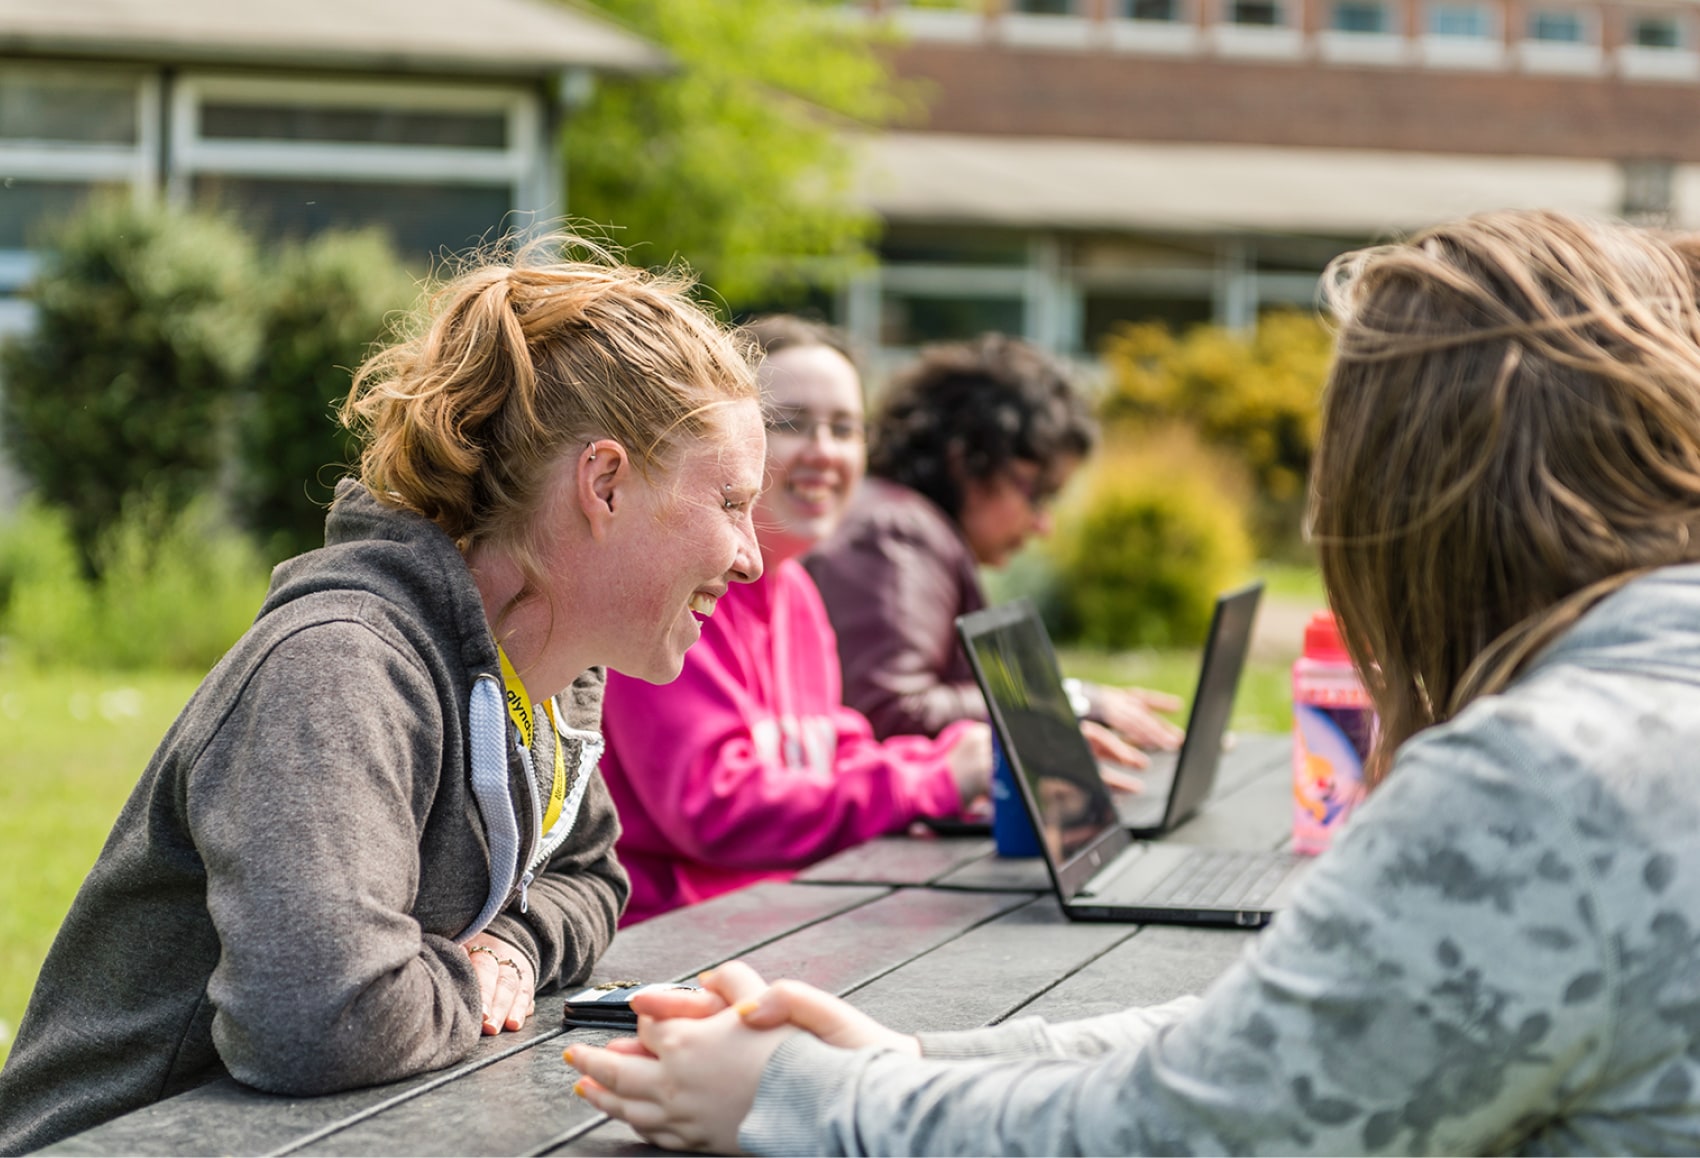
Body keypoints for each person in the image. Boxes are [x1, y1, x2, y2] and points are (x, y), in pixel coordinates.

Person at [565, 211, 1700, 1154]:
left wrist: (805, 1100)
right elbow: (1270, 1046)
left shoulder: (1541, 783)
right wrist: (914, 1060)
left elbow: (1189, 1126)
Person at [0, 239, 768, 1154]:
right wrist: (465, 984)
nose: (752, 554)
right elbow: (319, 1014)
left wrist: (514, 945)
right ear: (603, 484)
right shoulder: (339, 668)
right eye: (730, 503)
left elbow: (591, 875)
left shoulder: (548, 676)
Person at [597, 316, 996, 925]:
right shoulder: (681, 590)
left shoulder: (798, 591)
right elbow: (716, 807)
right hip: (673, 942)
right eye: (790, 424)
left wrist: (960, 759)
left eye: (845, 429)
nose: (824, 452)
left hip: (780, 916)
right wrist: (936, 781)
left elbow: (828, 748)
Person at [803, 334, 1182, 754]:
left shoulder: (903, 522)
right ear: (967, 460)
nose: (1043, 525)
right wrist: (1063, 704)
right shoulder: (896, 532)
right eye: (1037, 493)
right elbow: (893, 712)